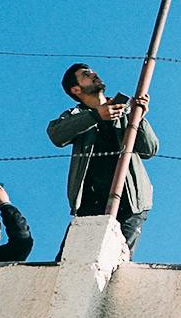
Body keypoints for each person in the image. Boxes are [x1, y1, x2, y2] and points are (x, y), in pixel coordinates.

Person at [47, 63, 156, 250]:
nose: (94, 74)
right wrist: (96, 116)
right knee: (71, 259)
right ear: (76, 89)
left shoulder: (125, 111)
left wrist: (138, 118)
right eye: (86, 74)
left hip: (130, 204)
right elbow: (57, 135)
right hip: (90, 203)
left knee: (116, 258)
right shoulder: (75, 115)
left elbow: (149, 150)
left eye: (93, 71)